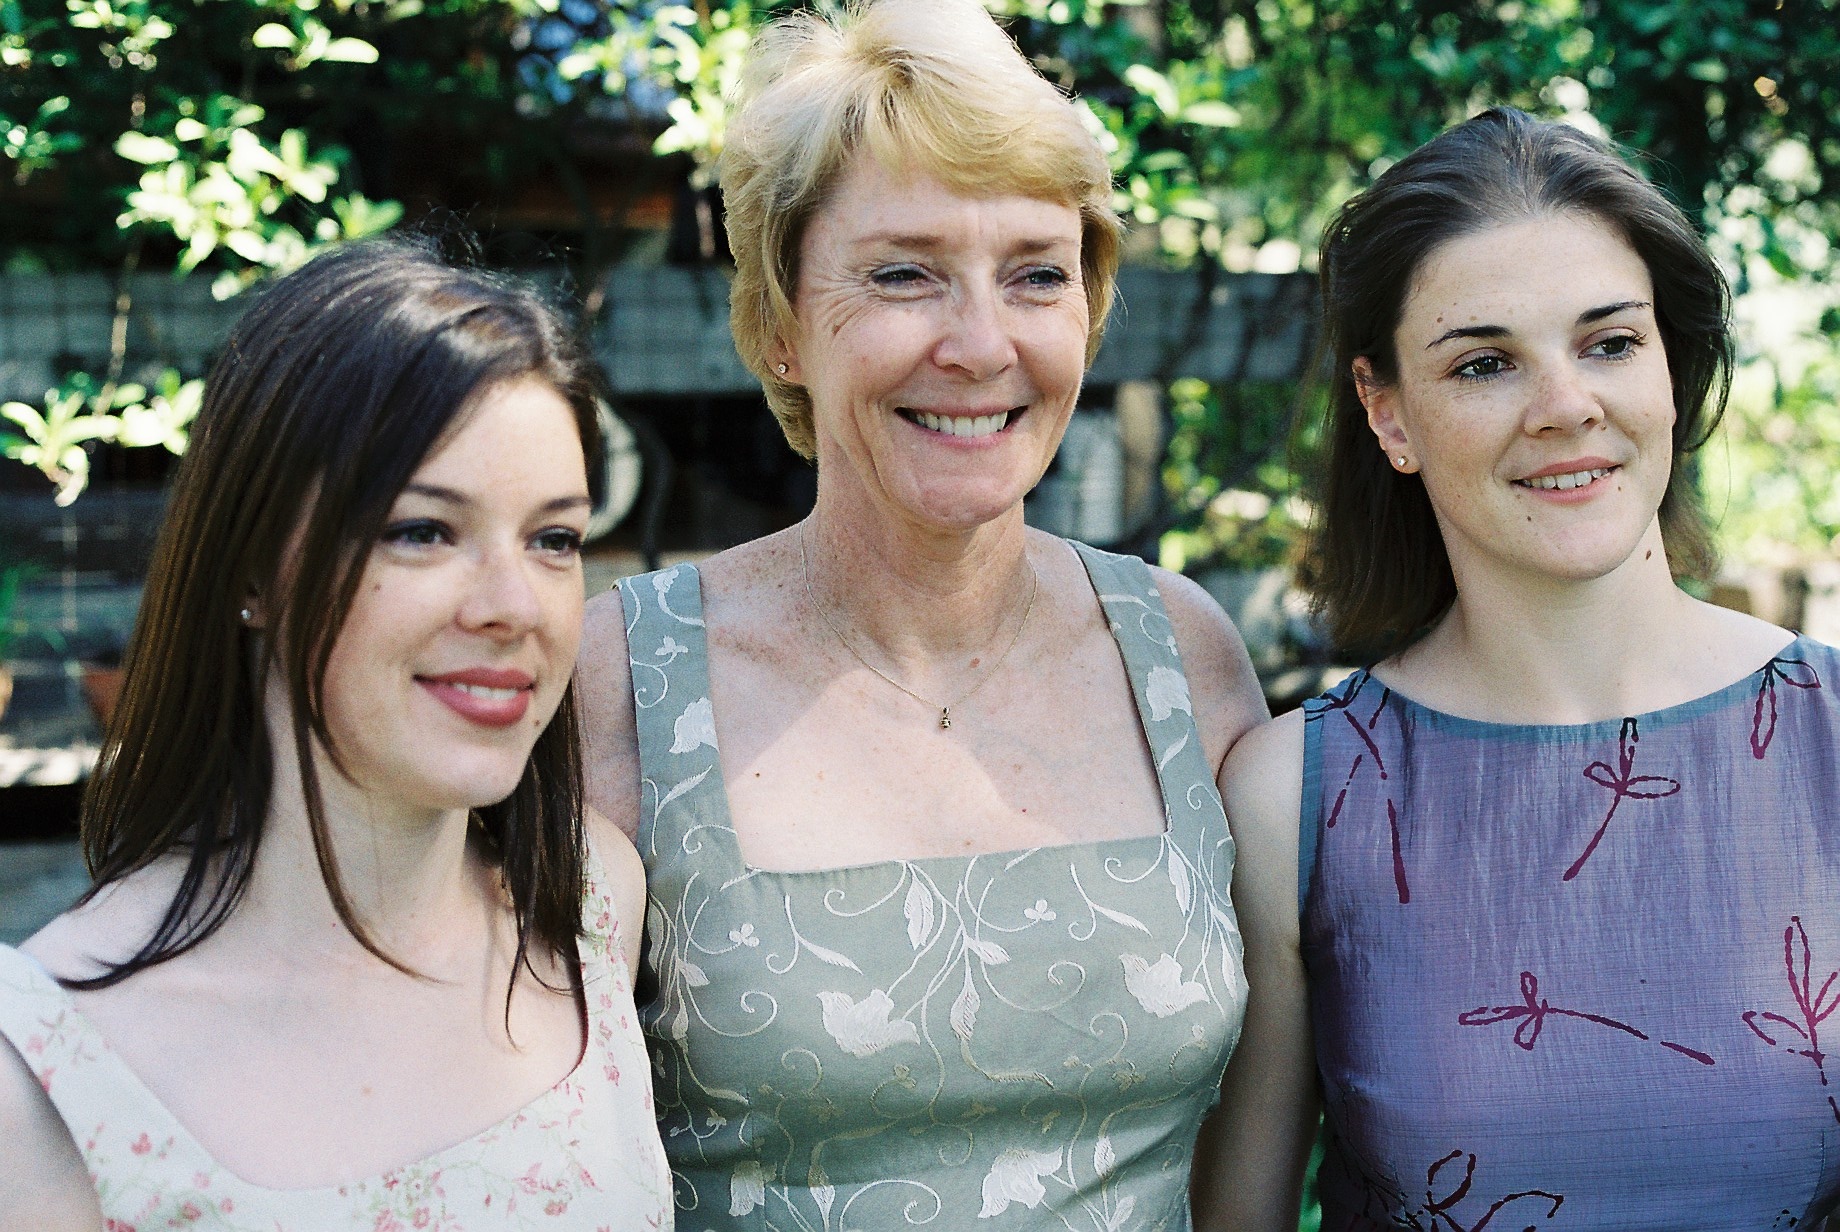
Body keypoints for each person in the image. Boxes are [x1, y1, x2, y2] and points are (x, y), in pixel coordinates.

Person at [573, 0, 1269, 1226]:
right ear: (782, 323)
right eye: (905, 274)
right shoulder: (617, 677)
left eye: (1036, 276)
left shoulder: (1183, 654)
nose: (980, 343)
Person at [1204, 107, 1840, 1228]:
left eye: (1608, 342)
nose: (1565, 407)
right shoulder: (1294, 797)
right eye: (1486, 362)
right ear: (1386, 409)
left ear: (1671, 371)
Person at [0, 240, 671, 1229]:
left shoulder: (589, 902)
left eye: (553, 538)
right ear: (250, 570)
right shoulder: (48, 1071)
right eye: (423, 529)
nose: (511, 604)